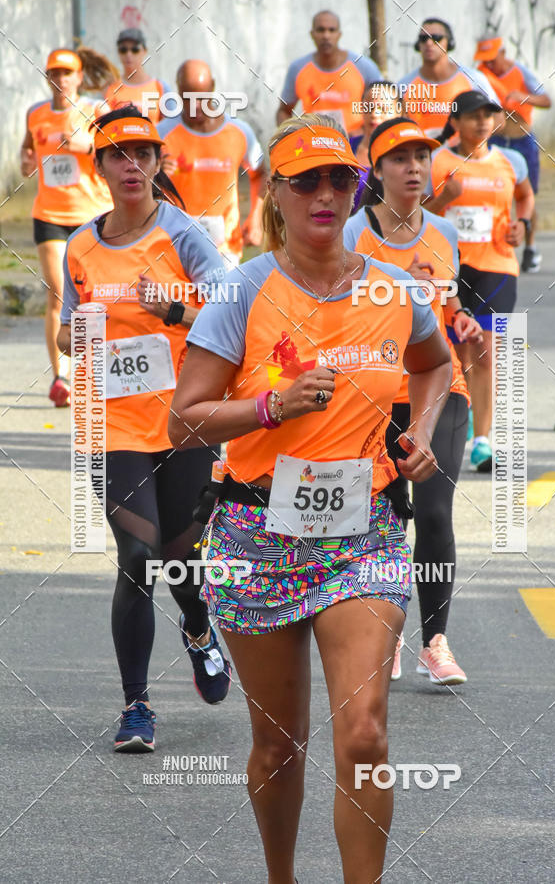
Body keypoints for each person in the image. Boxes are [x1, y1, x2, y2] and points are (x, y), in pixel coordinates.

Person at [169, 114, 452, 883]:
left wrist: (421, 431)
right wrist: (272, 406)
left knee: (363, 733)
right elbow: (184, 418)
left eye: (340, 178)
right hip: (254, 537)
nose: (326, 193)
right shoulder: (242, 290)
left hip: (363, 537)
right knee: (278, 742)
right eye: (307, 180)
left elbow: (435, 362)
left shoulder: (394, 291)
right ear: (277, 194)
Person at [56, 106, 230, 752]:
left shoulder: (183, 235)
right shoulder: (80, 245)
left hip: (185, 418)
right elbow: (68, 327)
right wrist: (72, 336)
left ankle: (197, 629)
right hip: (114, 423)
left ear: (159, 164)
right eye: (117, 154)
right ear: (98, 166)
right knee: (137, 557)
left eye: (142, 154)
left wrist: (176, 307)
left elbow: (232, 303)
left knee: (182, 561)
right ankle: (136, 706)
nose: (131, 165)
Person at [344, 117, 483, 684]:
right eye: (400, 159)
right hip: (372, 394)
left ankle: (435, 641)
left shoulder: (445, 234)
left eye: (422, 157)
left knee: (432, 512)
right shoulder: (355, 233)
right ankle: (387, 626)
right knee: (382, 519)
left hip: (438, 388)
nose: (414, 168)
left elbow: (450, 306)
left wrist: (463, 321)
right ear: (378, 170)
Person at [425, 91, 535, 471]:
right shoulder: (436, 162)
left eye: (489, 114)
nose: (482, 121)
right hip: (450, 270)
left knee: (486, 351)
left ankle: (483, 440)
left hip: (497, 267)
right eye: (473, 115)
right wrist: (443, 200)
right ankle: (463, 415)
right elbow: (414, 218)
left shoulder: (510, 161)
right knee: (456, 354)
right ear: (455, 122)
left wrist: (522, 225)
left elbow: (525, 197)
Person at [20, 47, 115, 408]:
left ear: (78, 76)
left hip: (93, 213)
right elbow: (26, 154)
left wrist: (87, 145)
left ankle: (99, 372)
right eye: (54, 74)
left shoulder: (95, 111)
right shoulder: (36, 113)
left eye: (66, 73)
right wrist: (26, 160)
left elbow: (116, 149)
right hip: (50, 214)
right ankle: (61, 377)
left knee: (96, 295)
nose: (60, 80)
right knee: (57, 292)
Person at [158, 60, 266, 268]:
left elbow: (260, 173)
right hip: (174, 248)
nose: (195, 105)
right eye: (188, 97)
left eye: (201, 97)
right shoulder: (163, 133)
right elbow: (138, 184)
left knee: (224, 300)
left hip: (225, 249)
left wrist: (256, 217)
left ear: (213, 88)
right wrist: (156, 174)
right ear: (179, 91)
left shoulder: (239, 131)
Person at [475, 36, 551, 273]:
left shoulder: (521, 72)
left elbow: (546, 100)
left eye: (492, 60)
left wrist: (522, 96)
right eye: (484, 60)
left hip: (522, 141)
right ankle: (491, 246)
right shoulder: (479, 75)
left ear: (503, 53)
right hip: (495, 139)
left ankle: (530, 248)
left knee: (527, 195)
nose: (489, 65)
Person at [277, 10, 382, 135]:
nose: (326, 36)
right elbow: (283, 111)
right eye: (320, 30)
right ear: (312, 34)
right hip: (314, 144)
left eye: (331, 30)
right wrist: (291, 137)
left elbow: (383, 108)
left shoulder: (364, 66)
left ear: (339, 34)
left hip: (354, 146)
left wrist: (363, 134)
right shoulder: (298, 68)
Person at [398, 18, 500, 139]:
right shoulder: (404, 86)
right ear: (418, 45)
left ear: (449, 42)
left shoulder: (473, 79)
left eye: (436, 38)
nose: (429, 43)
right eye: (423, 38)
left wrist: (472, 143)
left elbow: (499, 118)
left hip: (463, 155)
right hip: (423, 154)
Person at [348, 80, 402, 211]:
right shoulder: (345, 148)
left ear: (399, 111)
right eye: (369, 108)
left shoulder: (410, 153)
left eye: (384, 109)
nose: (375, 115)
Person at [103, 29, 170, 125]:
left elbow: (170, 127)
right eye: (123, 50)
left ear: (144, 51)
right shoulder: (112, 88)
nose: (128, 54)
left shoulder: (160, 87)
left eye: (135, 50)